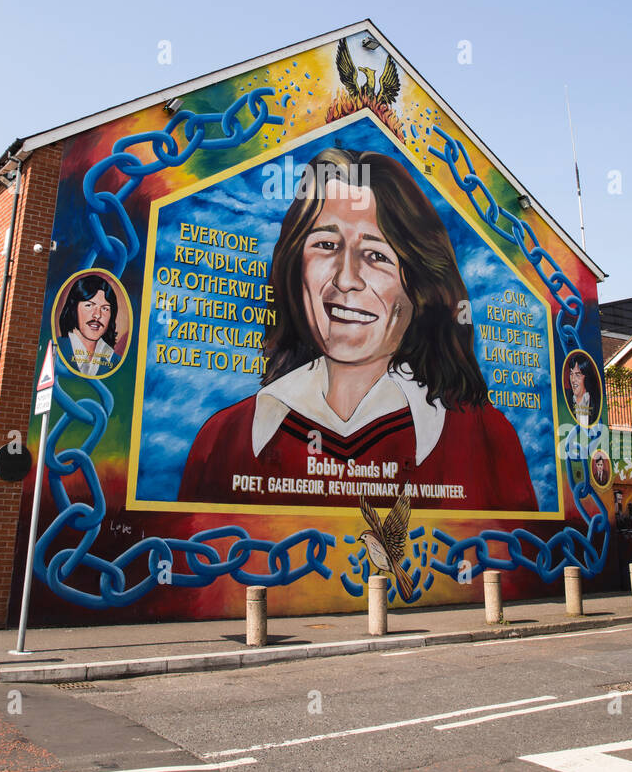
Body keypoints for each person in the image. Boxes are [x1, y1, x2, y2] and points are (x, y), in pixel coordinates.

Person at [177, 149, 538, 511]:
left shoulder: (484, 440)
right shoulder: (225, 439)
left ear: (419, 283)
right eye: (326, 245)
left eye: (376, 255)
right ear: (296, 267)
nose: (345, 279)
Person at [57, 275, 122, 377]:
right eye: (89, 305)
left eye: (105, 308)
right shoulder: (56, 349)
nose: (97, 315)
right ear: (74, 308)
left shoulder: (116, 362)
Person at [566, 353, 600, 425]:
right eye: (571, 374)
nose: (573, 380)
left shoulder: (596, 400)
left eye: (577, 375)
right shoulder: (565, 398)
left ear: (587, 376)